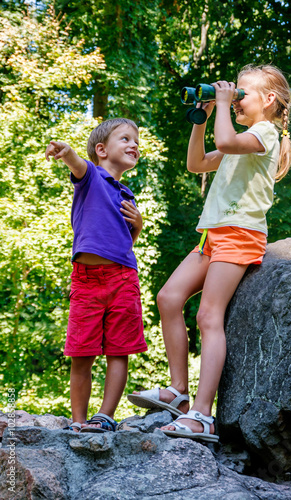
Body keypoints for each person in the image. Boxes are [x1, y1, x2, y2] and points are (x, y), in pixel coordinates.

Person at [127, 64, 291, 442]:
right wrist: (200, 120)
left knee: (208, 316)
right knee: (168, 298)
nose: (234, 99)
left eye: (241, 94)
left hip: (240, 233)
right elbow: (196, 164)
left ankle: (203, 415)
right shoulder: (240, 137)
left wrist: (220, 104)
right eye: (233, 94)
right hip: (213, 234)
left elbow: (230, 141)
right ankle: (179, 393)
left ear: (268, 101)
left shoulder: (265, 133)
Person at [45, 118, 147, 433]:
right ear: (101, 151)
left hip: (122, 278)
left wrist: (138, 226)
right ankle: (77, 421)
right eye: (126, 139)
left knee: (120, 350)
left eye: (137, 142)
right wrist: (66, 151)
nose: (134, 145)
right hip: (87, 281)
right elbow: (78, 164)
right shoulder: (92, 177)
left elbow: (120, 244)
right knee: (81, 352)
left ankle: (104, 416)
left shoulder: (126, 194)